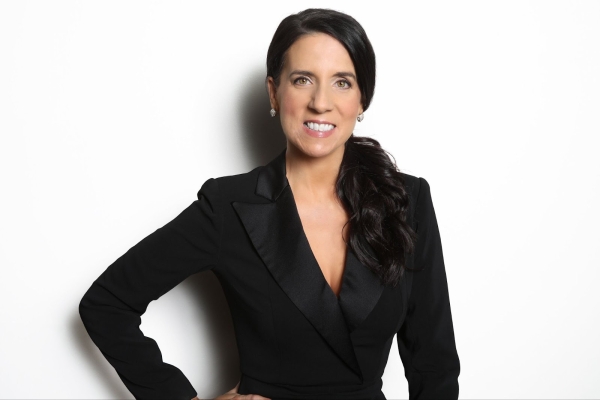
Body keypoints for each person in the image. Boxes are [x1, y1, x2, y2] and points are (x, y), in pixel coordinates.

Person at [79, 8, 460, 400]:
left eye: (342, 82)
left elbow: (434, 364)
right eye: (302, 80)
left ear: (363, 99)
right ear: (274, 92)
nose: (321, 102)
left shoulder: (406, 200)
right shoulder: (228, 207)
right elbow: (106, 304)